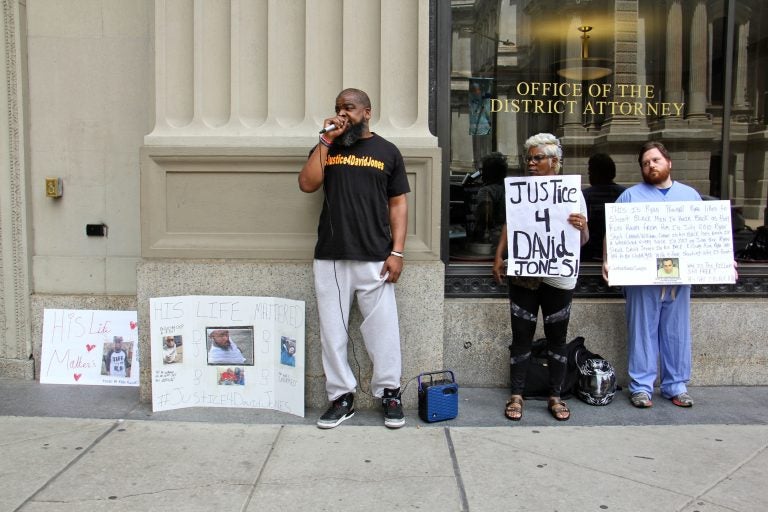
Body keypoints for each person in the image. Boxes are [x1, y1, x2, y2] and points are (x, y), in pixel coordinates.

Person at [299, 88, 409, 429]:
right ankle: (341, 397)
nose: (342, 113)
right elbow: (307, 184)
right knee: (333, 333)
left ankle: (390, 392)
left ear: (367, 112)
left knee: (383, 330)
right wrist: (326, 140)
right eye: (337, 108)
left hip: (375, 254)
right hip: (332, 255)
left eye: (349, 107)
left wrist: (397, 252)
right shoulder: (327, 147)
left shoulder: (387, 151)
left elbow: (398, 204)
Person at [492, 133, 589, 422]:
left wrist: (581, 227)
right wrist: (499, 255)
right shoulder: (521, 190)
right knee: (521, 335)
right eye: (529, 158)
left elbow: (582, 241)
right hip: (525, 273)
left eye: (537, 158)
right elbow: (512, 224)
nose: (531, 163)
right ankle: (517, 394)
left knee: (557, 337)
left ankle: (555, 395)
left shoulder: (572, 193)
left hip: (558, 274)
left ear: (554, 161)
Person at [602, 141, 700, 409]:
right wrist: (608, 261)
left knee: (676, 331)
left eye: (655, 160)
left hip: (679, 277)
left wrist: (722, 261)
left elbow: (705, 234)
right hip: (642, 279)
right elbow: (613, 232)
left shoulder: (690, 196)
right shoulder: (631, 196)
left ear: (669, 163)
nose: (651, 166)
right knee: (642, 331)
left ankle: (675, 386)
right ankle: (642, 387)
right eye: (645, 163)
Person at [581, 153, 625, 261]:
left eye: (590, 172)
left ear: (594, 173)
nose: (589, 175)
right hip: (617, 255)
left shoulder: (583, 196)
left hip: (588, 257)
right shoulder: (624, 194)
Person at [472, 152, 508, 249]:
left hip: (494, 238)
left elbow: (485, 216)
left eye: (482, 170)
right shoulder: (509, 187)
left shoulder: (486, 191)